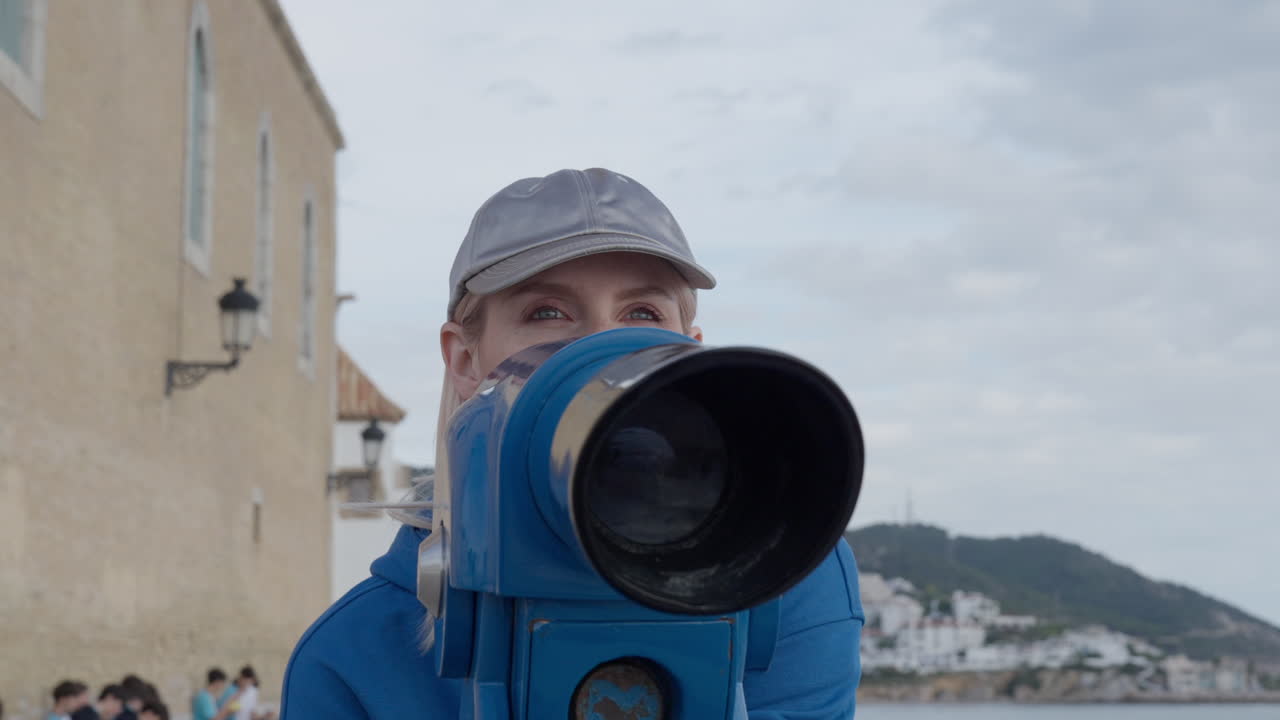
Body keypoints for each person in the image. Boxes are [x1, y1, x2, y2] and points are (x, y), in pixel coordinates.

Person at [280, 168, 864, 719]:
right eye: (547, 312)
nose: (600, 349)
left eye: (642, 312)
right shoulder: (352, 658)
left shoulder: (782, 564)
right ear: (465, 360)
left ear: (689, 349)